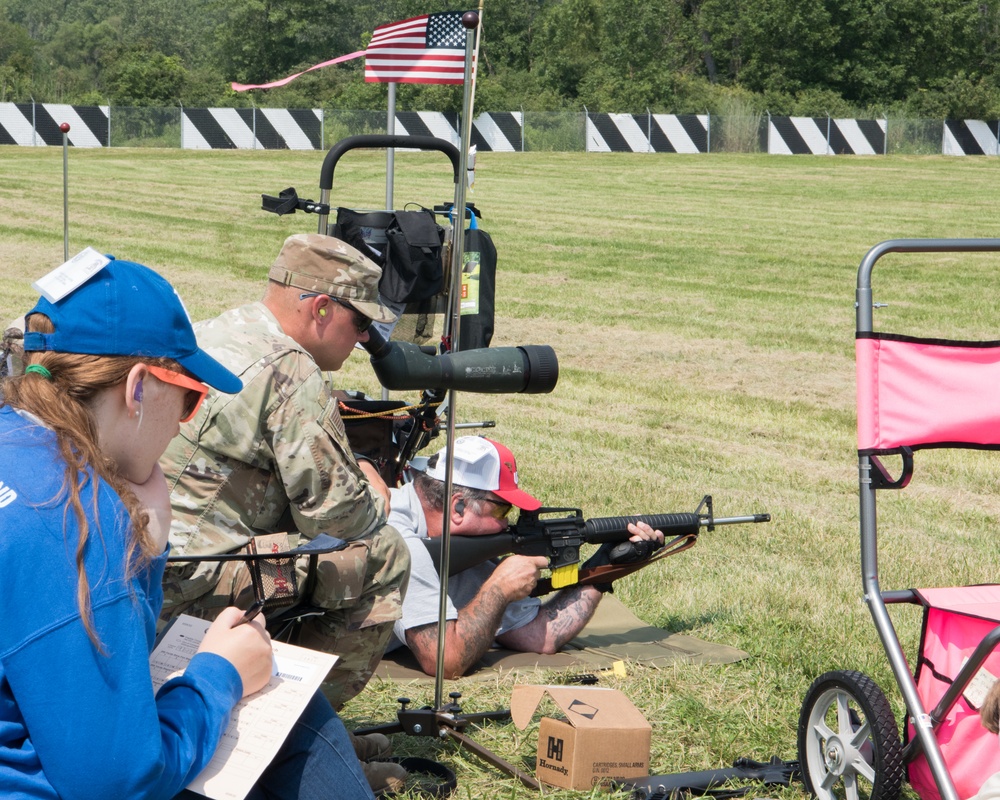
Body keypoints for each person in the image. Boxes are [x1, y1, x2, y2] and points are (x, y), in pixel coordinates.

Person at [0, 257, 373, 800]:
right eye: (190, 397)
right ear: (137, 390)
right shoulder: (81, 515)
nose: (183, 422)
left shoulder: (19, 441)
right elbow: (119, 783)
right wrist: (219, 676)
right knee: (281, 705)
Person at [158, 234, 411, 789]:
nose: (365, 338)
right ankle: (289, 731)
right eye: (361, 323)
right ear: (321, 307)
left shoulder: (221, 328)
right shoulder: (290, 368)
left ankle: (302, 726)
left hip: (149, 562)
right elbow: (341, 520)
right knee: (383, 556)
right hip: (189, 580)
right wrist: (373, 483)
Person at [386, 435, 665, 678]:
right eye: (502, 511)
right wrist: (498, 589)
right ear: (459, 506)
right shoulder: (399, 540)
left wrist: (604, 566)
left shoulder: (452, 546)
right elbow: (445, 663)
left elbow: (540, 636)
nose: (507, 524)